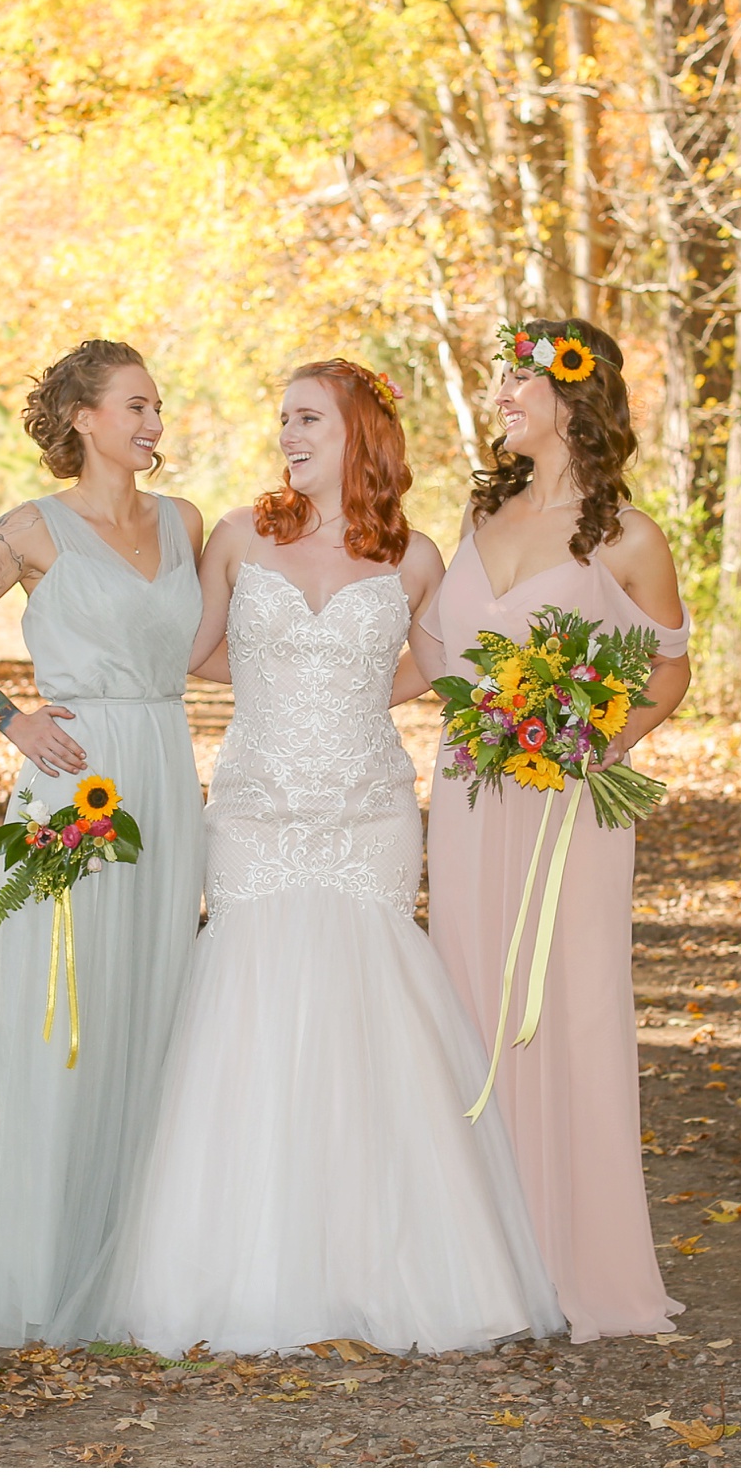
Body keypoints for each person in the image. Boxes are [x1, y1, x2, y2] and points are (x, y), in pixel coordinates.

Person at [102, 359, 563, 1357]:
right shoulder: (236, 537)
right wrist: (282, 683)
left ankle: (383, 1269)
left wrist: (354, 700)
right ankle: (242, 1270)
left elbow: (438, 670)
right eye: (282, 421)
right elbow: (191, 654)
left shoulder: (418, 557)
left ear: (360, 431)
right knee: (249, 1013)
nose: (288, 435)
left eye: (307, 418)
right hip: (260, 807)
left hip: (368, 811)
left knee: (374, 1021)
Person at [0, 339, 206, 1347]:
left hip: (166, 770)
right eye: (136, 404)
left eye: (158, 404)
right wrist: (13, 722)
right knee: (67, 1006)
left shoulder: (187, 523)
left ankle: (136, 1260)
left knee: (156, 994)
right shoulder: (29, 531)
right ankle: (43, 1266)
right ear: (84, 417)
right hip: (74, 778)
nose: (155, 421)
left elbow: (202, 650)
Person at [412, 318, 692, 1345]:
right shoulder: (478, 518)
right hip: (474, 795)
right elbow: (440, 662)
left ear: (573, 395)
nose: (498, 394)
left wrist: (602, 740)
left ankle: (585, 1264)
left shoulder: (630, 537)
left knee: (570, 1010)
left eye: (514, 379)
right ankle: (482, 1259)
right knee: (469, 998)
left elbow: (668, 669)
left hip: (570, 805)